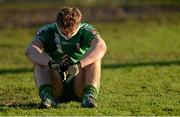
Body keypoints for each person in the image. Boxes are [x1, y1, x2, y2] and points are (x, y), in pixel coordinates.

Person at [25, 6, 107, 108]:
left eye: (71, 32)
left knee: (95, 59)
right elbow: (30, 50)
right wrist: (52, 63)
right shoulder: (48, 30)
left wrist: (79, 65)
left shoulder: (85, 30)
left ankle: (89, 96)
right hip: (56, 83)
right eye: (63, 32)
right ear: (57, 25)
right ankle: (47, 97)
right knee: (39, 61)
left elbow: (101, 47)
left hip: (79, 82)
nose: (67, 35)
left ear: (78, 24)